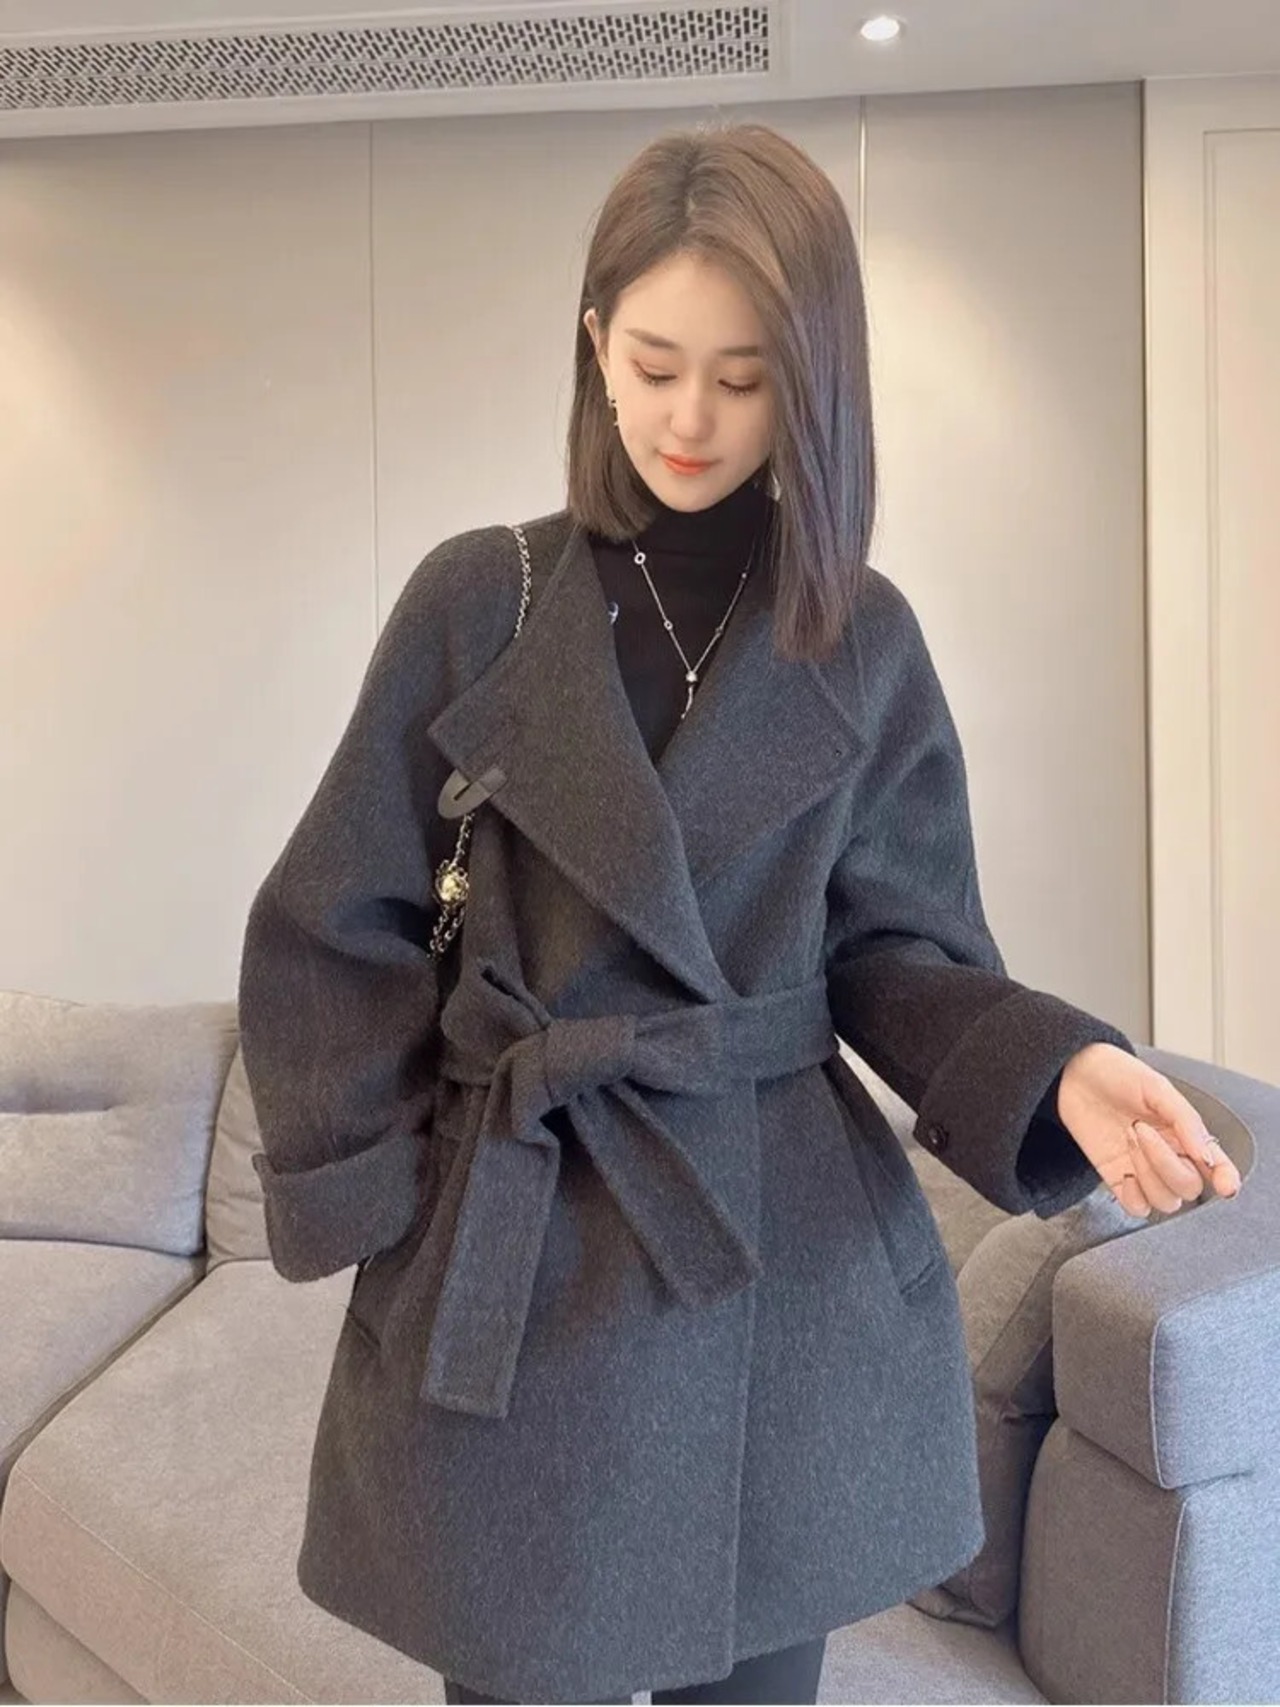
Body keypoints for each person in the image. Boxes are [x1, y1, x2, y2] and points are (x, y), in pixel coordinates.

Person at [237, 122, 1242, 1707]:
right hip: (527, 1242)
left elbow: (896, 952)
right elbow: (332, 918)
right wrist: (394, 1202)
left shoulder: (860, 637)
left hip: (775, 1268)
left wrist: (1058, 1066)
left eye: (744, 376)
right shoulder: (478, 601)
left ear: (814, 382)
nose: (689, 419)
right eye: (653, 365)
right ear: (595, 346)